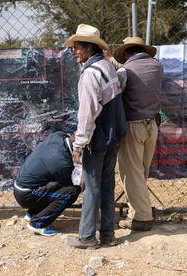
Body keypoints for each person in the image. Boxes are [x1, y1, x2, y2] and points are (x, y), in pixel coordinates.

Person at [65, 24, 126, 249]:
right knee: (107, 184)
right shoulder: (107, 66)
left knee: (92, 187)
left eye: (77, 47)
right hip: (114, 136)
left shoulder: (90, 74)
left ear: (89, 49)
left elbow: (87, 113)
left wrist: (79, 144)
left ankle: (87, 237)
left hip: (98, 140)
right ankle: (108, 235)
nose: (73, 52)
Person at [113, 37, 163, 231]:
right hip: (153, 124)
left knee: (131, 173)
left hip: (133, 126)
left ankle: (142, 218)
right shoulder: (157, 67)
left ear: (126, 53)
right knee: (141, 172)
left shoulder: (125, 71)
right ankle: (138, 211)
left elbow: (115, 95)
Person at [14, 131, 82, 236]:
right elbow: (70, 184)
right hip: (26, 195)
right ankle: (38, 223)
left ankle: (34, 213)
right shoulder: (63, 163)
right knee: (71, 192)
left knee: (55, 184)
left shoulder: (58, 136)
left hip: (21, 187)